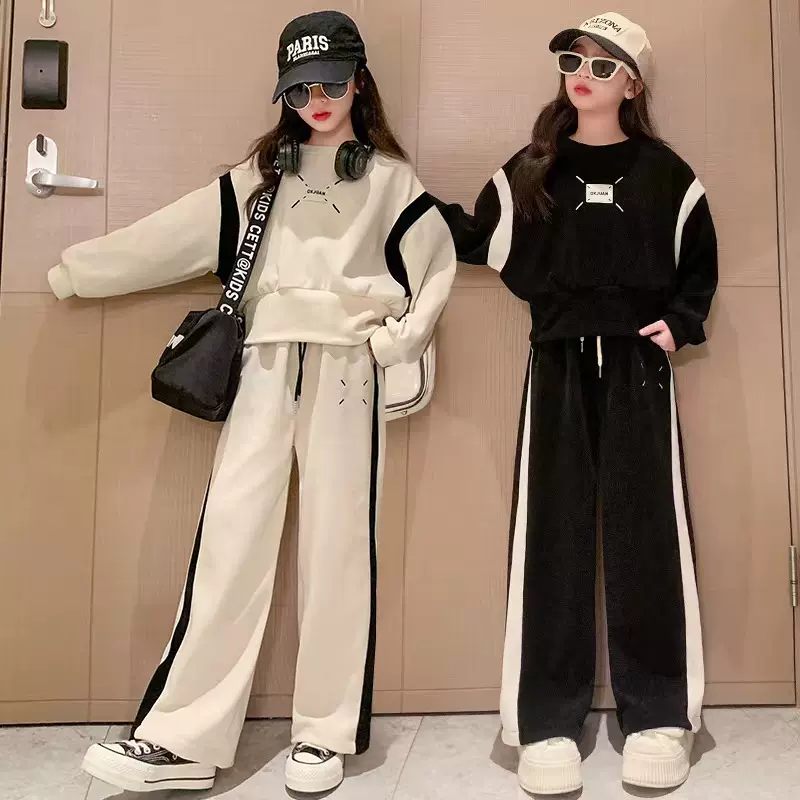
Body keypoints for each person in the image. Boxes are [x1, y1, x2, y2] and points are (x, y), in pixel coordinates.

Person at [48, 11, 456, 795]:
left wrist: (392, 345)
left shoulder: (391, 181)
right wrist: (79, 269)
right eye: (300, 90)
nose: (316, 101)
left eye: (330, 84)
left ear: (359, 82)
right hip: (262, 366)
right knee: (230, 539)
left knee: (339, 547)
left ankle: (324, 736)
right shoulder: (259, 178)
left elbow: (432, 270)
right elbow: (171, 235)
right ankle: (183, 739)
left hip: (348, 371)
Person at [434, 12, 717, 795]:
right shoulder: (531, 171)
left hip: (638, 366)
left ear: (633, 83)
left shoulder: (667, 175)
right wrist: (396, 200)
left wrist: (681, 322)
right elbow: (474, 236)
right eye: (572, 61)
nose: (582, 77)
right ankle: (546, 722)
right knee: (550, 536)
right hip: (557, 360)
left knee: (648, 533)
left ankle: (660, 714)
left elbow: (699, 264)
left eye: (601, 65)